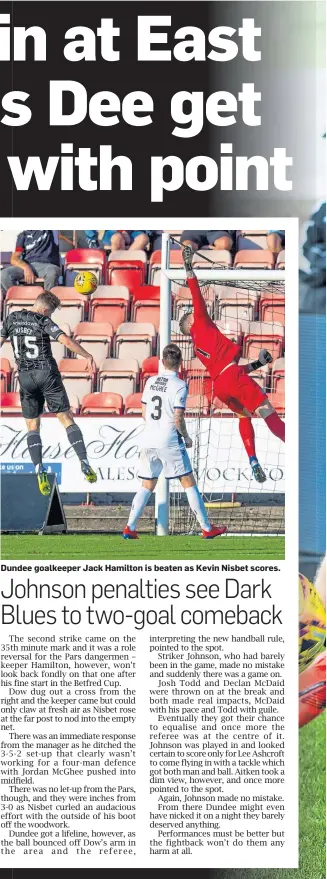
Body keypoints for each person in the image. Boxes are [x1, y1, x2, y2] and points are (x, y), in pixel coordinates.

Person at [179, 246, 285, 483]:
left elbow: (229, 371)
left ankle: (253, 460)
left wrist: (258, 363)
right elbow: (196, 294)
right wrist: (188, 267)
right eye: (190, 313)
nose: (193, 312)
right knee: (269, 414)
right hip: (232, 379)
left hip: (222, 386)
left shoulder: (198, 345)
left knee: (244, 417)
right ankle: (302, 449)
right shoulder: (202, 324)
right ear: (191, 321)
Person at [123, 343, 227, 540]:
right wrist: (186, 437)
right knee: (188, 482)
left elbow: (144, 412)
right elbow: (177, 418)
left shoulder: (151, 382)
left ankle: (130, 527)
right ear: (180, 364)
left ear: (162, 362)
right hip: (168, 439)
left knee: (147, 484)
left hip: (148, 438)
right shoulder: (180, 385)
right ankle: (206, 528)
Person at [0, 291, 97, 495]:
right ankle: (84, 461)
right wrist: (87, 355)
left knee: (32, 427)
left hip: (25, 377)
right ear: (45, 310)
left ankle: (38, 468)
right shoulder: (42, 320)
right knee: (66, 418)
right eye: (51, 313)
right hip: (46, 373)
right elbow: (66, 341)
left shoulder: (12, 318)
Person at [1, 230, 61, 298]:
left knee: (52, 271)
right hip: (28, 265)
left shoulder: (50, 231)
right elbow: (14, 258)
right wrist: (26, 268)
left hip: (47, 265)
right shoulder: (22, 236)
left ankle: (47, 303)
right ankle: (20, 299)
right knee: (4, 274)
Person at [85, 230, 150, 251]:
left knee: (143, 238)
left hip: (132, 232)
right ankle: (118, 268)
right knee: (117, 239)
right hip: (109, 231)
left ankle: (129, 265)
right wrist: (92, 236)